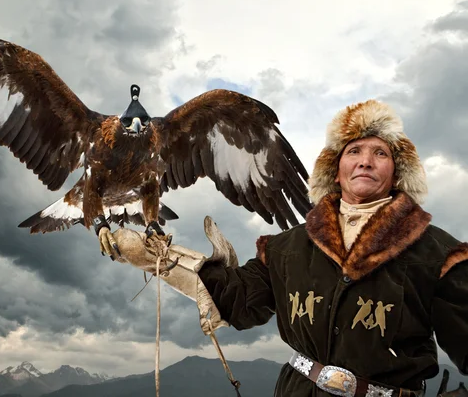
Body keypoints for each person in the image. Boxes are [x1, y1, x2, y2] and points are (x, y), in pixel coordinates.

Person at [110, 99, 468, 397]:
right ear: (336, 168)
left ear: (398, 170)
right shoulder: (289, 247)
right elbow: (239, 300)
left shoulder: (438, 252)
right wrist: (163, 260)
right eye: (354, 150)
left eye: (380, 153)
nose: (365, 160)